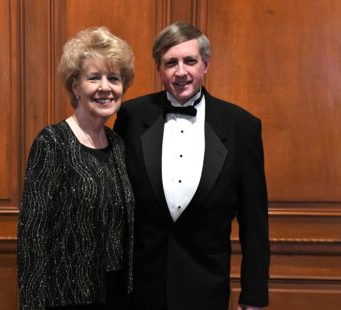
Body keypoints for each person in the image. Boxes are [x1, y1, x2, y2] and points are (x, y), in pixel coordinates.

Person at [114, 22, 270, 310]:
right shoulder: (131, 117)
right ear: (159, 70)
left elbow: (254, 222)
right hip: (141, 292)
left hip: (206, 290)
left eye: (190, 61)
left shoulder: (242, 126)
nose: (181, 71)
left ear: (205, 65)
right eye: (171, 62)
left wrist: (254, 297)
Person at [17, 27, 135, 310]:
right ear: (75, 86)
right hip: (65, 298)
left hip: (117, 295)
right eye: (94, 78)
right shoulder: (52, 142)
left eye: (114, 78)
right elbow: (32, 235)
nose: (105, 87)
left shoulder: (118, 144)